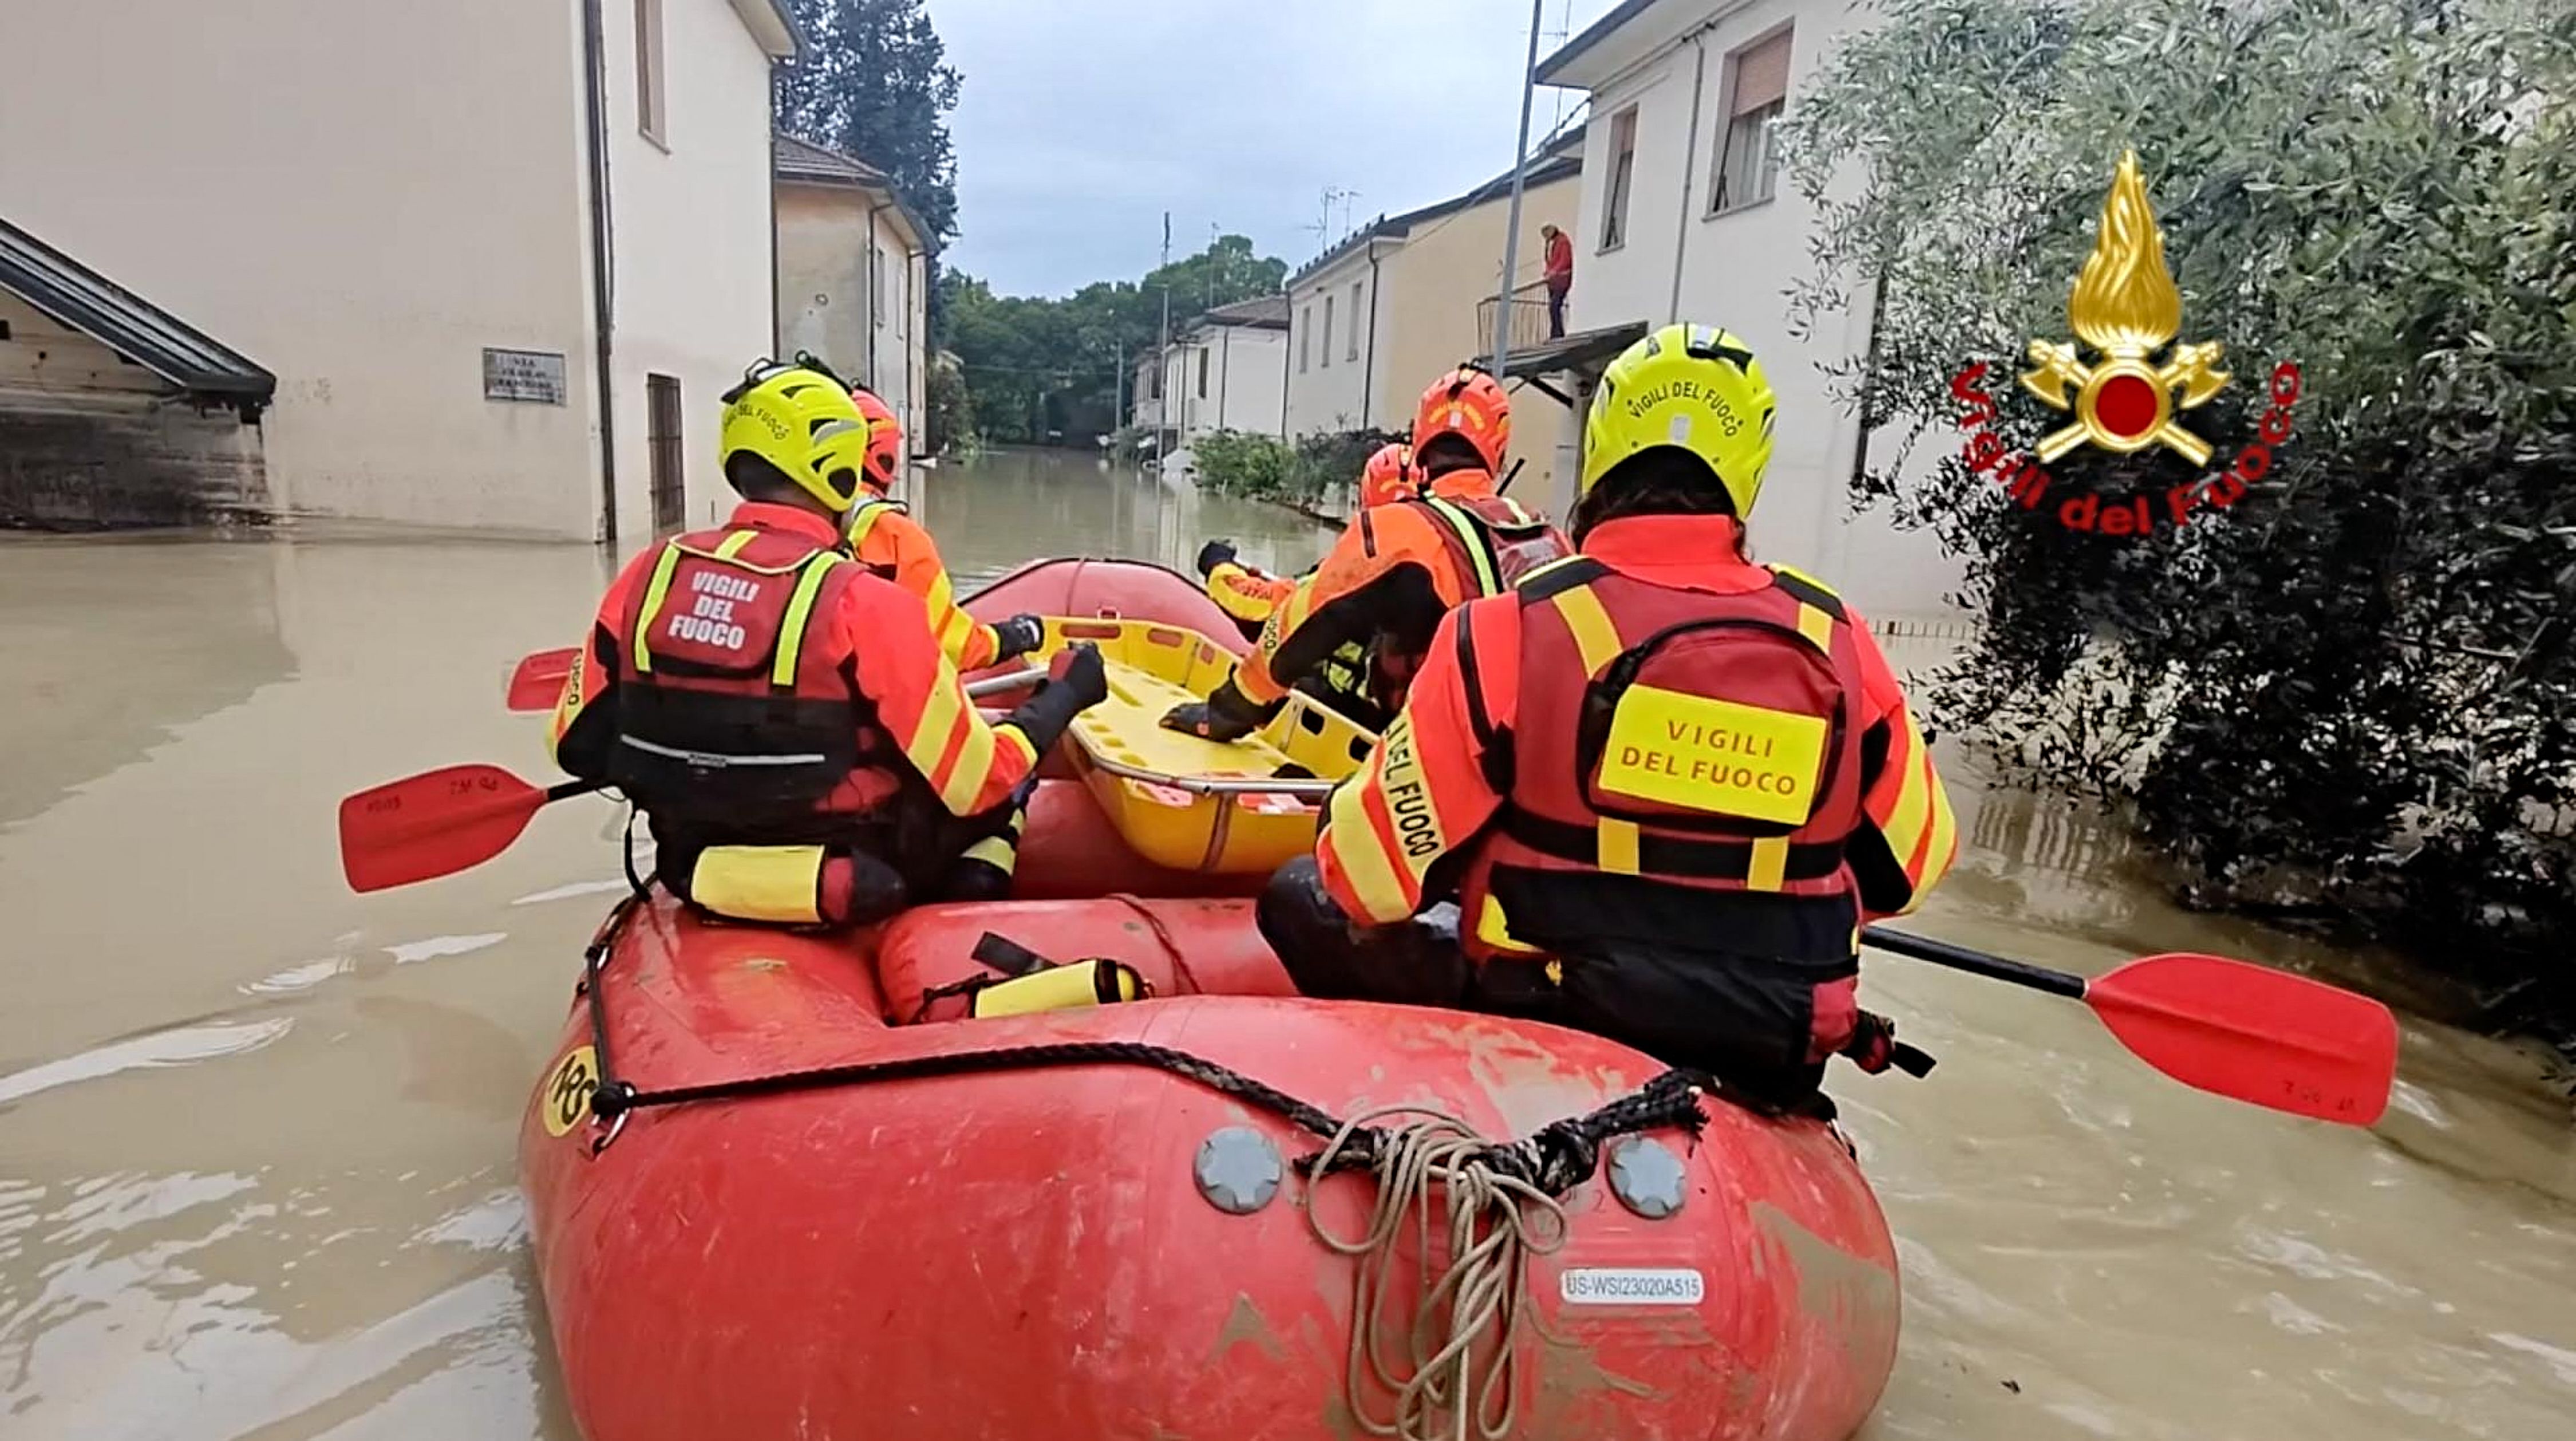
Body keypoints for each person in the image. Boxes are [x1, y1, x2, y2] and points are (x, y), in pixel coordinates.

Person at [1257, 325, 1959, 1114]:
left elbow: (1367, 884)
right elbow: (1915, 866)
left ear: (1604, 447)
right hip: (1772, 1037)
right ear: (1748, 468)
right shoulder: (1838, 636)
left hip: (1548, 1017)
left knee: (1296, 892)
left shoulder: (1507, 629)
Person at [548, 358, 1108, 929]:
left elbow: (572, 745)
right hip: (854, 868)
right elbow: (976, 781)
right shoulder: (867, 604)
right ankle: (964, 907)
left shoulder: (647, 575)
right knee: (1008, 794)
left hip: (691, 862)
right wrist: (1063, 697)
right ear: (839, 467)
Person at [1161, 368, 1567, 740]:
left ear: (1421, 438)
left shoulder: (1395, 532)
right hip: (1532, 754)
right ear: (1498, 443)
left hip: (1436, 750)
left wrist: (1227, 712)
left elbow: (1293, 628)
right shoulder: (1547, 534)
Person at [1191, 441, 1420, 729]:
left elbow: (1262, 609)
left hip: (1337, 721)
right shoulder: (1450, 572)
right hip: (1398, 729)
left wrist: (1218, 566)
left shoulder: (1349, 573)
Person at [842, 381, 1048, 674]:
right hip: (866, 707)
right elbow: (951, 645)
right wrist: (1018, 635)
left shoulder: (764, 528)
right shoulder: (896, 538)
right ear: (881, 454)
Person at [1541, 223, 1574, 340]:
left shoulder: (1563, 242)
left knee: (1555, 305)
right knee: (1553, 306)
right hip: (1554, 281)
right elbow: (1550, 261)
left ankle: (1558, 333)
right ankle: (1555, 331)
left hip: (1561, 279)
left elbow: (1565, 260)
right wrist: (1548, 272)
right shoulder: (1551, 244)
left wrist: (1554, 272)